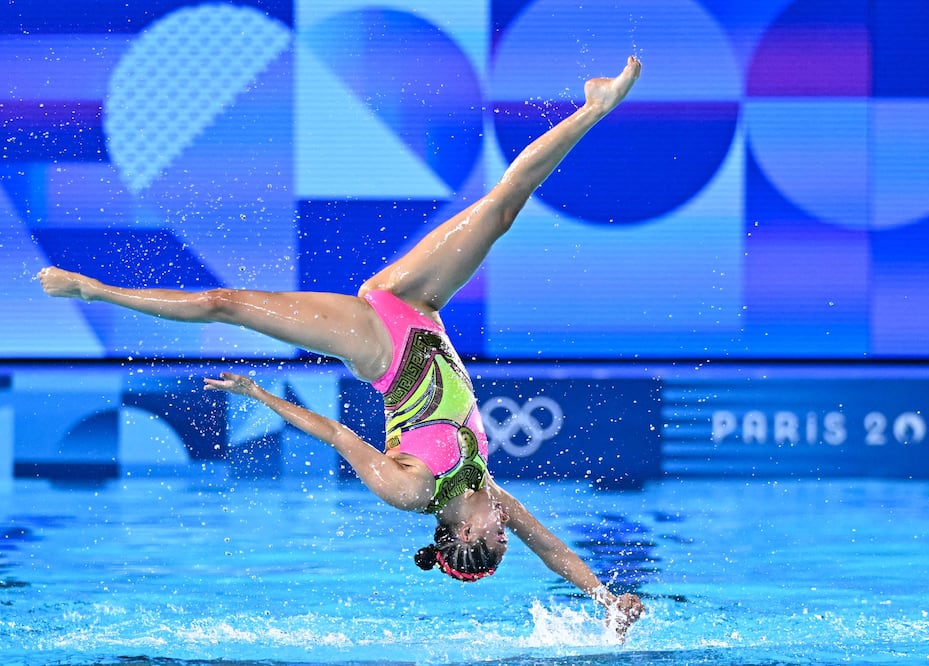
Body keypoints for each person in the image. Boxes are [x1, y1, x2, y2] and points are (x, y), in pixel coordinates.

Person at [39, 56, 645, 635]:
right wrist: (604, 598)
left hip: (378, 343)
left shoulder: (411, 490)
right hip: (420, 310)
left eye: (497, 538)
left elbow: (336, 434)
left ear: (463, 537)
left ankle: (93, 290)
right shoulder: (481, 486)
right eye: (505, 535)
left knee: (227, 305)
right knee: (500, 208)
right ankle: (594, 108)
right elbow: (552, 548)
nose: (507, 529)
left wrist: (258, 394)